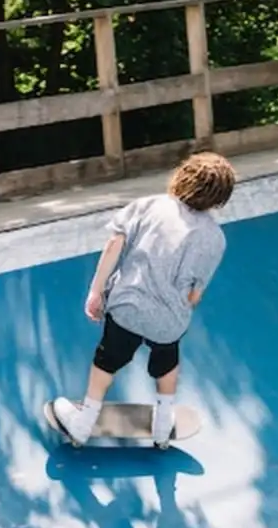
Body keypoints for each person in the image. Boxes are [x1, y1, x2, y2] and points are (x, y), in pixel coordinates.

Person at [49, 151, 236, 447]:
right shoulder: (216, 238)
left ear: (181, 176)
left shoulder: (149, 206)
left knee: (106, 360)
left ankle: (83, 424)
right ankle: (163, 426)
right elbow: (194, 294)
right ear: (220, 198)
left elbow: (113, 246)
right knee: (167, 361)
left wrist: (96, 292)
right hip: (169, 320)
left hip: (127, 307)